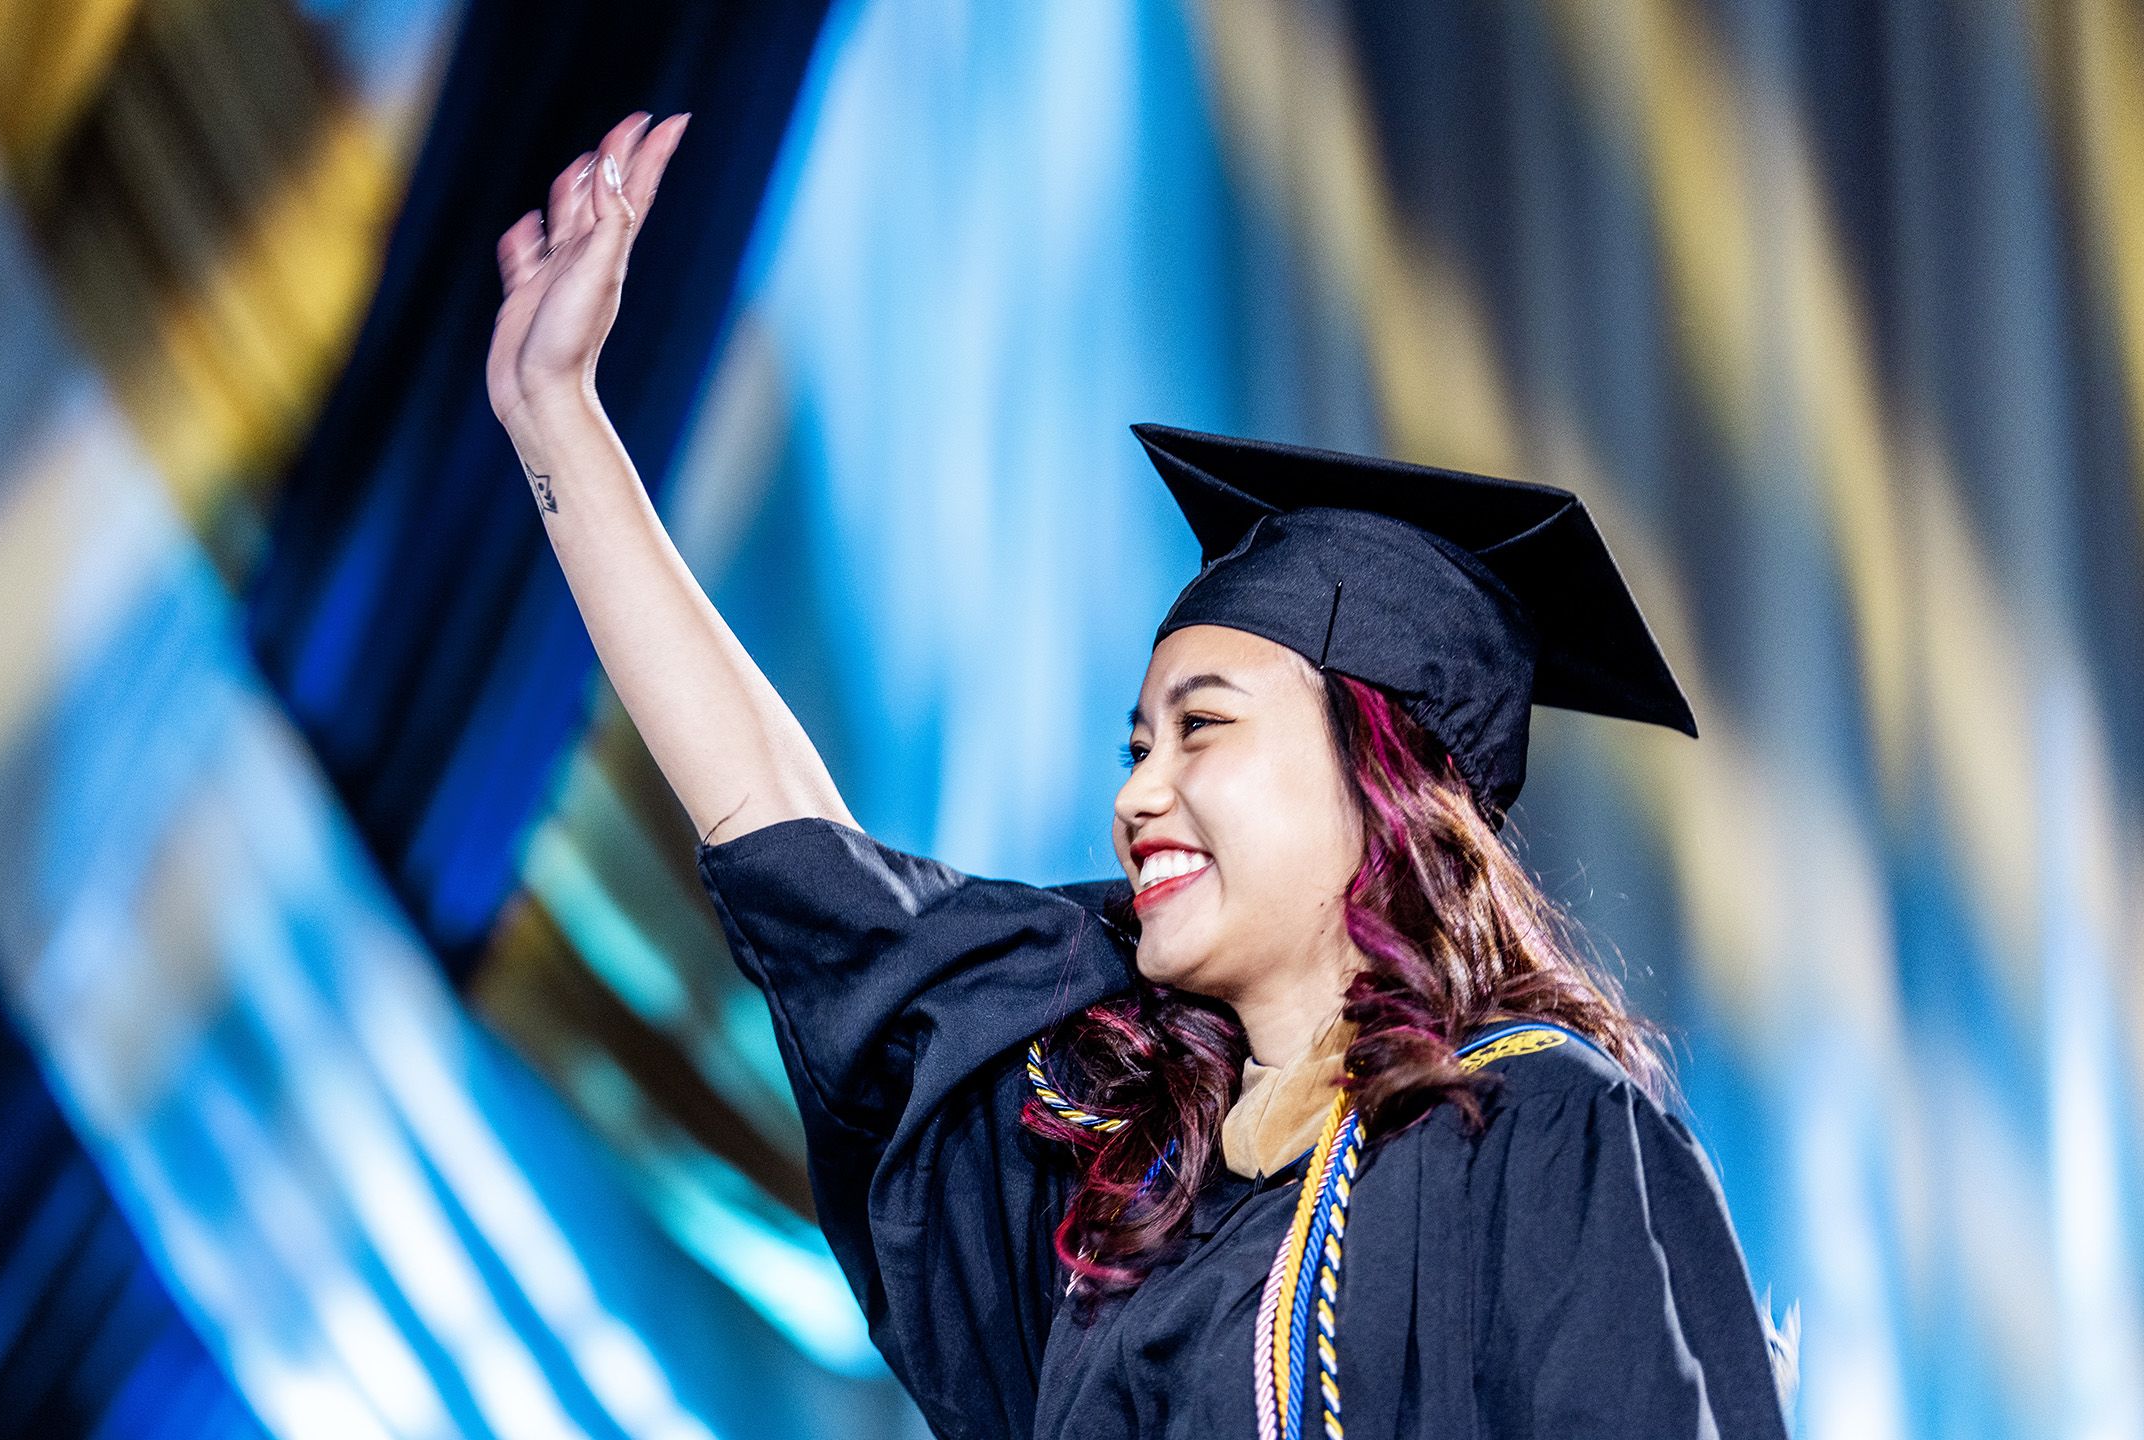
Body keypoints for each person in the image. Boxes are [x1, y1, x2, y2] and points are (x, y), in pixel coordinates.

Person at [490, 111, 1796, 1440]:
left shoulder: (1540, 1142)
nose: (1137, 794)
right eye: (1136, 745)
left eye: (1203, 729)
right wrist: (557, 419)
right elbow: (791, 848)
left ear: (1378, 771)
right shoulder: (1113, 1177)